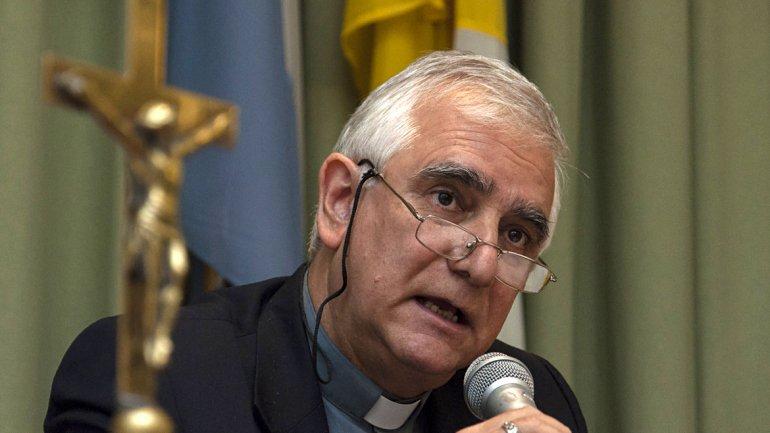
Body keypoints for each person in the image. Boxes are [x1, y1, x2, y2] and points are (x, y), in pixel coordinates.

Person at [45, 51, 587, 433]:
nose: (483, 265)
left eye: (517, 235)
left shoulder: (531, 404)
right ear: (341, 201)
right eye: (446, 199)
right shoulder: (151, 380)